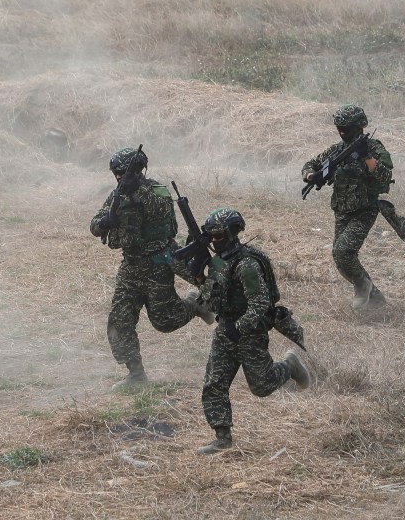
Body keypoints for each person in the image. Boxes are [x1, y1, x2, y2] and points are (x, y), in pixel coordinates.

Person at [90, 146, 214, 391]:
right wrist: (107, 220)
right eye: (116, 173)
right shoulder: (118, 195)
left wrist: (131, 195)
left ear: (137, 171)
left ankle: (195, 305)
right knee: (119, 321)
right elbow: (95, 226)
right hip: (130, 267)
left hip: (158, 264)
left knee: (165, 321)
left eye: (122, 172)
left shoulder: (156, 192)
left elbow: (154, 210)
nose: (118, 177)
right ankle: (136, 375)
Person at [196, 208, 311, 455]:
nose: (213, 240)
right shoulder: (219, 261)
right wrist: (197, 273)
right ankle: (222, 438)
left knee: (262, 386)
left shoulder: (246, 264)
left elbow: (260, 303)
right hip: (225, 331)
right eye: (210, 235)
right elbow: (209, 294)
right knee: (214, 384)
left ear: (230, 234)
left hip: (249, 333)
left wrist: (239, 328)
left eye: (217, 235)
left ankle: (290, 366)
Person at [301, 104, 396, 310]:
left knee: (344, 252)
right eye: (340, 127)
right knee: (340, 256)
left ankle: (365, 291)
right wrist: (312, 176)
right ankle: (373, 295)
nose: (343, 132)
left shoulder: (374, 148)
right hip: (342, 210)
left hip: (365, 209)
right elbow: (310, 164)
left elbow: (385, 175)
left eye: (347, 127)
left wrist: (367, 157)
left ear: (359, 126)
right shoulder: (337, 150)